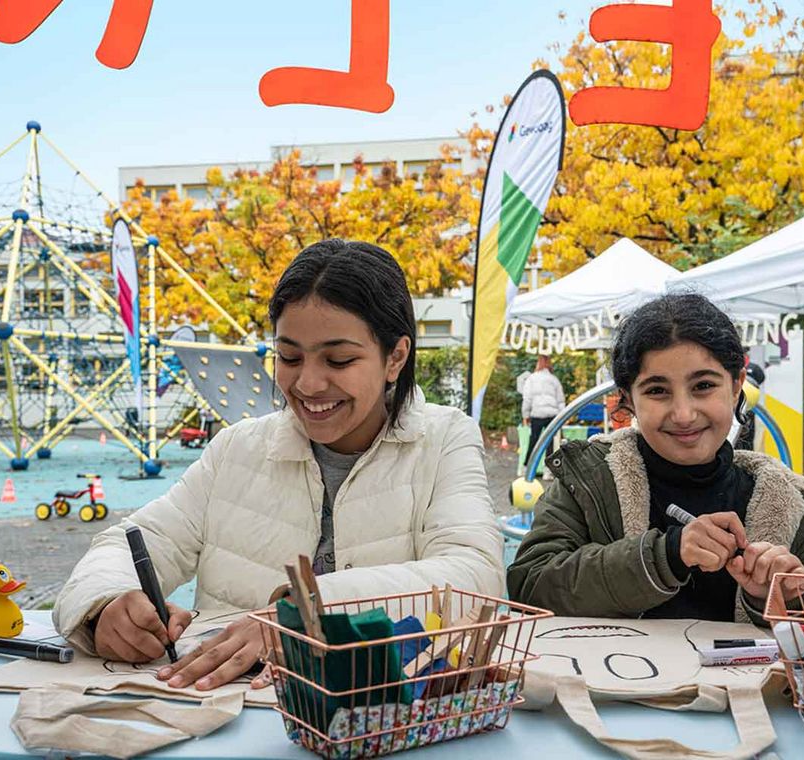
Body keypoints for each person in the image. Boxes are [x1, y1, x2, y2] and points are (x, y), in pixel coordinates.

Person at [52, 239, 504, 691]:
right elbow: (130, 544)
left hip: (383, 725)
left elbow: (475, 576)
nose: (307, 383)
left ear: (396, 357)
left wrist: (306, 616)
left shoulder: (444, 440)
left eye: (339, 359)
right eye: (288, 357)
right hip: (226, 723)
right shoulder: (236, 450)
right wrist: (105, 606)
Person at [507, 293, 804, 624]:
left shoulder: (793, 503)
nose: (684, 413)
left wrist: (788, 598)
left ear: (736, 387)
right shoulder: (589, 480)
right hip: (609, 687)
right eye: (657, 391)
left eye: (703, 386)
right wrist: (666, 555)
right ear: (627, 399)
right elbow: (531, 585)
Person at [521, 354, 566, 473]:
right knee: (550, 443)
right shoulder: (554, 379)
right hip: (553, 415)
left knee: (534, 441)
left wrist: (525, 415)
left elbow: (527, 399)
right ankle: (548, 471)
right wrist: (562, 417)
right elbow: (560, 400)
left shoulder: (531, 378)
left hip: (537, 414)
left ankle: (527, 468)